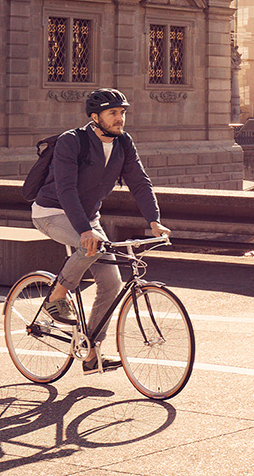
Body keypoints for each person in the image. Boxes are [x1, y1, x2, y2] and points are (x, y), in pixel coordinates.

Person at [32, 88, 171, 369]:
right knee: (90, 246)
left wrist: (153, 221)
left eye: (122, 113)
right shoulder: (72, 141)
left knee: (111, 284)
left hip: (87, 216)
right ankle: (56, 297)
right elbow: (66, 189)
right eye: (113, 113)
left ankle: (90, 352)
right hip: (52, 211)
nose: (120, 118)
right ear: (95, 117)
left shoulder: (123, 143)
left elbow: (140, 183)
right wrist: (85, 230)